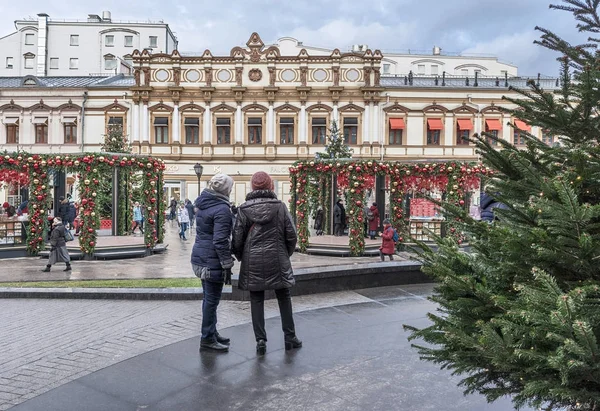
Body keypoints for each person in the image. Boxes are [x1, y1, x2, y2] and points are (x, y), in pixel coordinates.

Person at [233, 171, 302, 355]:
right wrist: (284, 254)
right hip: (278, 258)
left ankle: (261, 340)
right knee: (283, 296)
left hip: (253, 260)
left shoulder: (243, 209)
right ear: (271, 186)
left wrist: (243, 257)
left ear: (252, 187)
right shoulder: (280, 207)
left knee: (256, 299)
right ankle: (290, 337)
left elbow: (237, 239)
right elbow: (292, 235)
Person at [192, 174, 235, 353]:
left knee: (208, 299)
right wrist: (227, 262)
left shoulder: (204, 204)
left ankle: (211, 332)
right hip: (212, 260)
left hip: (200, 256)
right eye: (230, 188)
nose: (231, 190)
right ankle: (207, 338)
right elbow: (220, 241)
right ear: (225, 190)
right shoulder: (222, 209)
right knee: (212, 300)